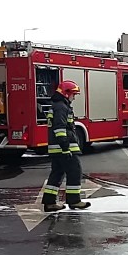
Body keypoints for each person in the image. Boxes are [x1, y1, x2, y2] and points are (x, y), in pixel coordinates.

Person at [42, 80, 91, 212]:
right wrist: (65, 148)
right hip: (63, 148)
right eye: (73, 94)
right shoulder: (61, 107)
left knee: (57, 173)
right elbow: (60, 129)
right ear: (66, 93)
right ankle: (74, 201)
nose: (74, 97)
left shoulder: (58, 106)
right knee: (75, 171)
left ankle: (50, 202)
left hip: (57, 148)